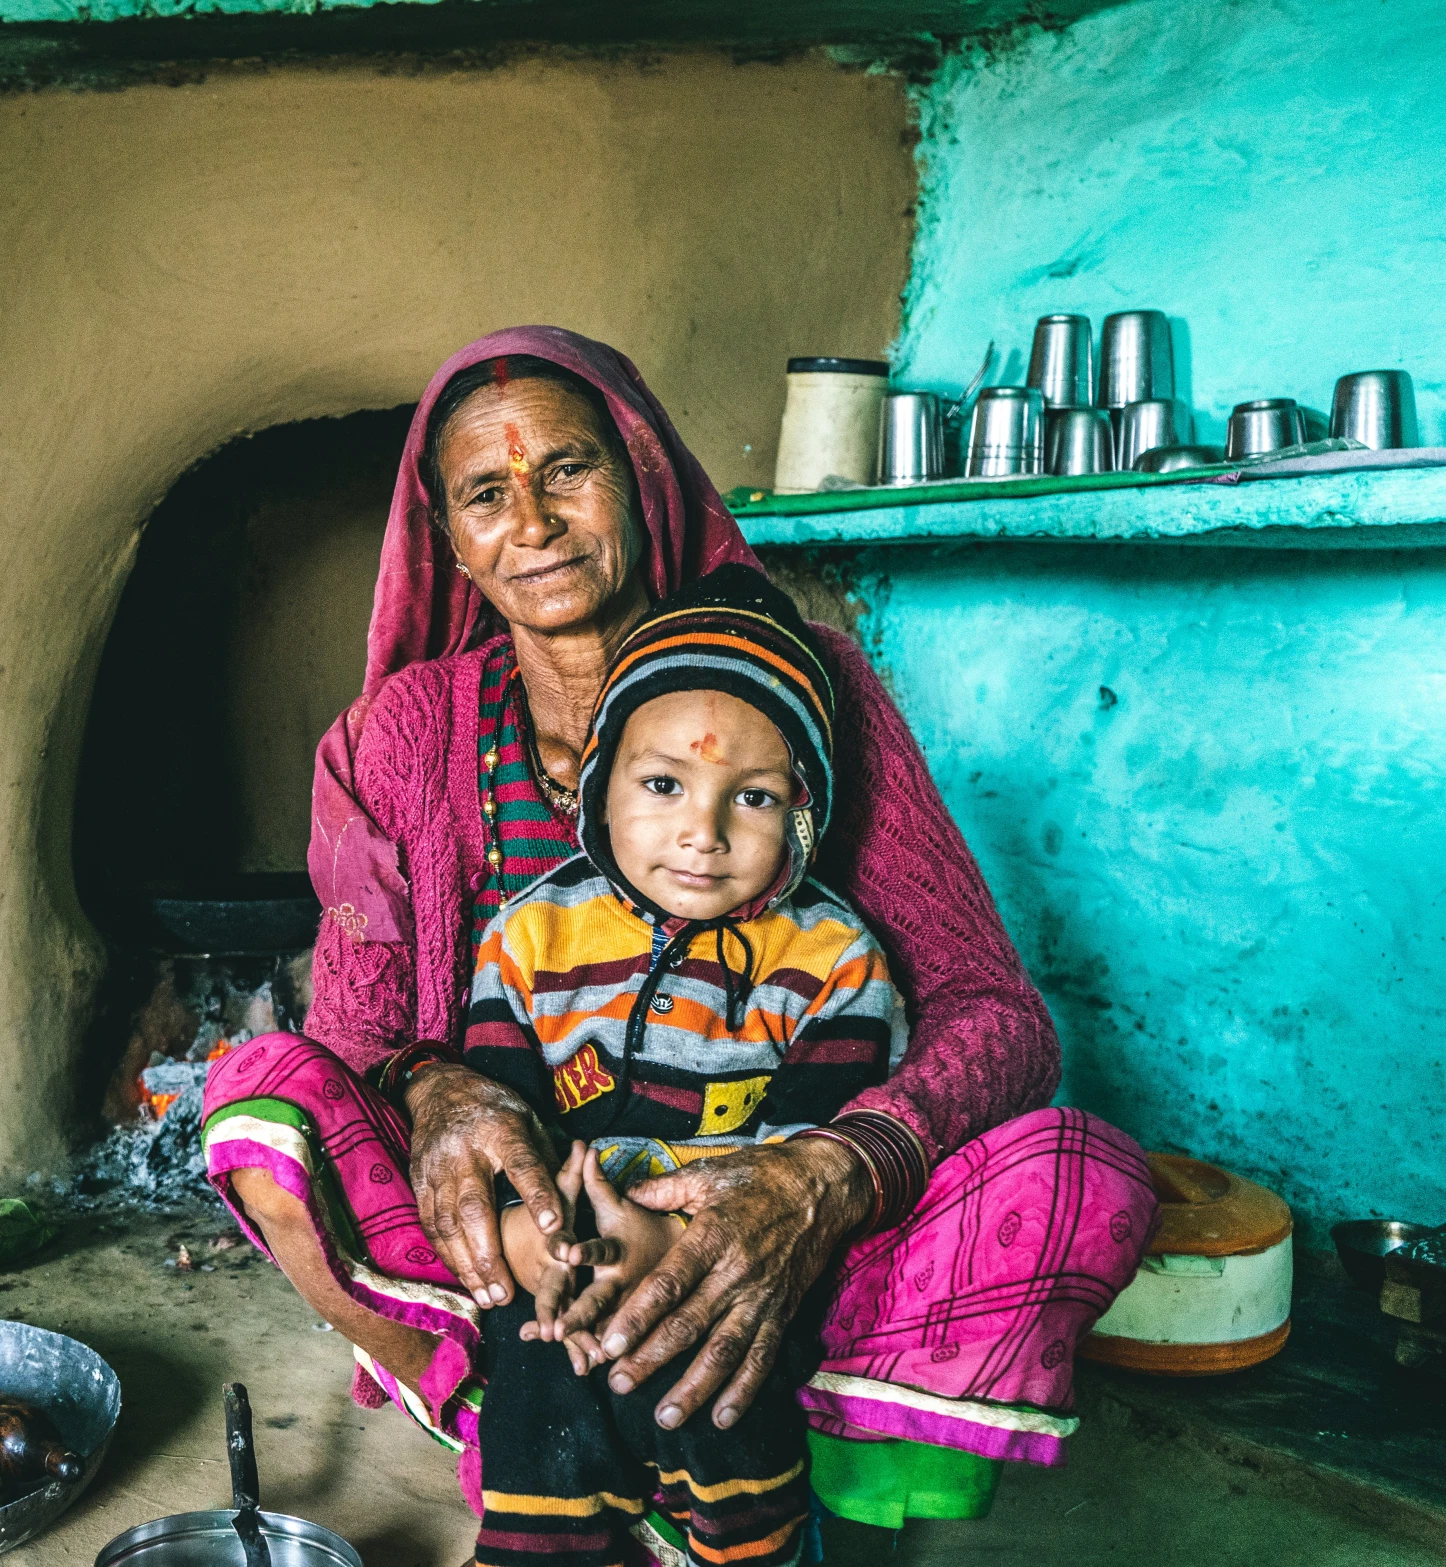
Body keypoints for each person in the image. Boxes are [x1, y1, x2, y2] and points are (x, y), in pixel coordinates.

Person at [199, 326, 1155, 1563]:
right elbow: (361, 1037)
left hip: (773, 1179)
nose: (531, 520)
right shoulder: (401, 736)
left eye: (568, 470)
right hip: (538, 1222)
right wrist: (441, 1090)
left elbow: (994, 1013)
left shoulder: (810, 695)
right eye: (486, 492)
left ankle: (767, 1447)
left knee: (1082, 1170)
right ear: (447, 535)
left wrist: (821, 1177)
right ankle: (534, 1431)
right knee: (264, 1100)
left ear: (643, 480)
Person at [471, 564, 907, 1567]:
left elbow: (811, 1151)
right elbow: (502, 1126)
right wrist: (532, 1242)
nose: (701, 835)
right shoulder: (528, 941)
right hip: (569, 1248)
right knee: (534, 1370)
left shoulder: (832, 961)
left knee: (726, 1369)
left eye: (751, 797)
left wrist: (675, 1248)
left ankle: (749, 1543)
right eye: (662, 784)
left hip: (733, 1254)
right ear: (599, 782)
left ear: (803, 815)